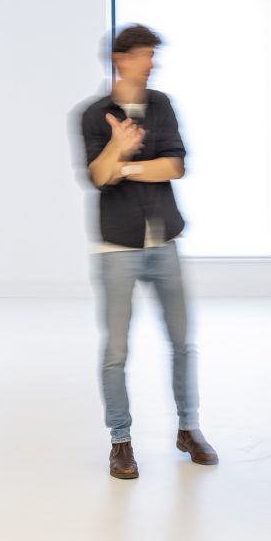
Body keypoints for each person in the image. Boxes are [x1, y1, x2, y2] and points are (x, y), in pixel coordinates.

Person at [79, 24, 216, 479]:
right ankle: (120, 441)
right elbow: (97, 177)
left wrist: (124, 165)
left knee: (182, 342)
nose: (151, 63)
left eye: (153, 54)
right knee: (116, 350)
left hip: (165, 242)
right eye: (143, 54)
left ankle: (188, 429)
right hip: (116, 245)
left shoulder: (162, 105)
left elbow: (175, 166)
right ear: (120, 59)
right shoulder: (93, 114)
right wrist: (114, 150)